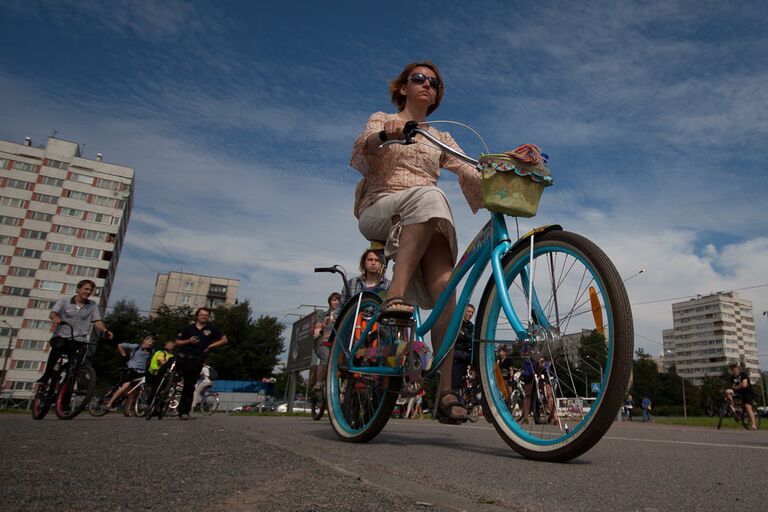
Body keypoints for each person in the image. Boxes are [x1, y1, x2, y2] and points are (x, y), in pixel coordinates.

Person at [350, 61, 482, 424]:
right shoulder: (382, 118)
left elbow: (468, 169)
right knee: (430, 195)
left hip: (426, 215)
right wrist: (388, 134)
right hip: (381, 206)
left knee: (447, 291)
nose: (427, 84)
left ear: (437, 94)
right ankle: (397, 294)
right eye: (418, 79)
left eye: (434, 82)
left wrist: (506, 169)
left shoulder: (440, 136)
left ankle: (446, 391)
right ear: (403, 87)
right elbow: (367, 147)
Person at [37, 279, 113, 384]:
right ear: (78, 289)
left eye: (91, 290)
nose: (88, 292)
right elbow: (53, 313)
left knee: (75, 365)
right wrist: (55, 318)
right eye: (86, 289)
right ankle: (47, 374)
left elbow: (97, 321)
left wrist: (105, 330)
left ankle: (66, 387)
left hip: (79, 340)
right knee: (58, 347)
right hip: (62, 337)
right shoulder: (64, 301)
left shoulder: (93, 305)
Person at [175, 308, 227, 419]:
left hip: (197, 359)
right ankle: (158, 404)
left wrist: (210, 346)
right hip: (183, 357)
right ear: (197, 316)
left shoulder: (211, 329)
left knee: (189, 385)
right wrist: (188, 341)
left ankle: (184, 411)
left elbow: (224, 340)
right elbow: (177, 341)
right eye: (202, 315)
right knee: (172, 378)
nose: (204, 317)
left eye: (206, 315)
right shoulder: (189, 328)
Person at [104, 336, 154, 410]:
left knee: (133, 391)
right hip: (132, 369)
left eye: (151, 343)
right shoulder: (136, 346)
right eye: (149, 341)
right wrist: (124, 355)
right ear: (144, 340)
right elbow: (120, 345)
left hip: (141, 371)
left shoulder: (151, 351)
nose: (150, 344)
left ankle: (127, 409)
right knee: (125, 386)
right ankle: (109, 404)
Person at [312, 292, 342, 391]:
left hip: (337, 344)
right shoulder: (324, 314)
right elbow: (317, 327)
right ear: (330, 302)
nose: (336, 302)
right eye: (334, 300)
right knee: (326, 357)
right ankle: (319, 382)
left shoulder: (343, 315)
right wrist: (321, 326)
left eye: (338, 300)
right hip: (324, 343)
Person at [451, 304, 475, 393]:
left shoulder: (471, 326)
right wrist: (467, 337)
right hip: (457, 358)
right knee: (455, 382)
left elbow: (472, 340)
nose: (470, 314)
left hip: (467, 358)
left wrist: (464, 335)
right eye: (468, 311)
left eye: (472, 312)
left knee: (466, 383)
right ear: (464, 312)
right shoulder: (457, 324)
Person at [729, 363, 757, 430]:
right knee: (727, 392)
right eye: (733, 370)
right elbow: (731, 387)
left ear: (738, 369)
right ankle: (735, 412)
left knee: (748, 407)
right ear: (732, 371)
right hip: (739, 392)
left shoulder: (743, 374)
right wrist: (735, 388)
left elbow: (744, 385)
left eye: (736, 369)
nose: (735, 371)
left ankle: (753, 425)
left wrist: (736, 387)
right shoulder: (732, 378)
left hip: (747, 392)